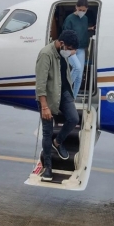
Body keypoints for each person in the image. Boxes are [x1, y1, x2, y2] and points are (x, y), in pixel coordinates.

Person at [35, 30, 80, 181]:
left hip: (64, 93)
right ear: (62, 44)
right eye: (70, 49)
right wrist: (44, 106)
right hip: (48, 97)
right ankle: (48, 167)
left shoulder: (63, 52)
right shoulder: (46, 54)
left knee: (73, 118)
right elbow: (40, 83)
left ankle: (58, 142)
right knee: (47, 132)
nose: (70, 53)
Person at [62, 0, 95, 98]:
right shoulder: (69, 19)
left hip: (81, 49)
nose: (82, 12)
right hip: (70, 49)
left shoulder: (85, 19)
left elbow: (82, 29)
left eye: (84, 10)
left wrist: (91, 29)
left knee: (80, 76)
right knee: (77, 68)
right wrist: (70, 49)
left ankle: (73, 98)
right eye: (80, 9)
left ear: (87, 9)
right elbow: (65, 34)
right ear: (76, 7)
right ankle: (63, 90)